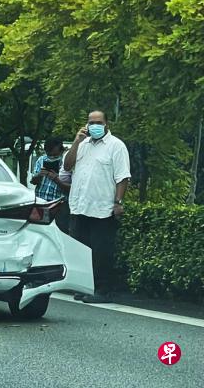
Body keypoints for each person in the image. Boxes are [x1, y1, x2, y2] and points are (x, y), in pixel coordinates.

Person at [63, 110, 131, 303]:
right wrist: (76, 142)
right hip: (79, 206)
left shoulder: (116, 146)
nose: (94, 125)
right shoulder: (82, 145)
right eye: (91, 122)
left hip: (102, 208)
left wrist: (118, 202)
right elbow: (67, 166)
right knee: (82, 251)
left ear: (106, 124)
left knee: (102, 252)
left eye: (98, 122)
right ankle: (86, 287)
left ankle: (103, 290)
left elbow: (123, 177)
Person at [30, 137, 71, 233]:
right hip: (41, 202)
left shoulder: (66, 163)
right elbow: (33, 181)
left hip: (60, 205)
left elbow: (71, 188)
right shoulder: (41, 160)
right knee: (39, 231)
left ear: (61, 151)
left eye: (55, 155)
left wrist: (56, 179)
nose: (51, 157)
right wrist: (39, 175)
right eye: (49, 154)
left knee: (60, 232)